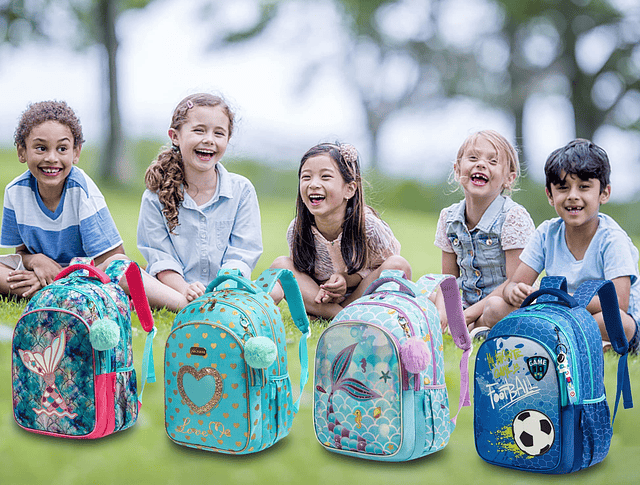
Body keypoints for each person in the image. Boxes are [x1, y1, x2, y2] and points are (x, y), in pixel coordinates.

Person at [0, 100, 186, 310]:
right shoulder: (15, 192)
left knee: (122, 269)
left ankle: (185, 305)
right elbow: (21, 253)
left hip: (88, 276)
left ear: (76, 152)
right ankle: (61, 294)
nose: (51, 158)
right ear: (21, 151)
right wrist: (36, 261)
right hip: (44, 274)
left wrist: (63, 276)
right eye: (41, 148)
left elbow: (115, 259)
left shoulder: (81, 191)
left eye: (62, 148)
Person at [503, 139, 640, 353]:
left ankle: (554, 339)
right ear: (550, 194)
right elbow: (514, 283)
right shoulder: (547, 233)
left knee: (618, 322)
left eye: (584, 187)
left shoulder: (613, 240)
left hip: (608, 320)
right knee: (496, 308)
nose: (573, 196)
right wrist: (515, 292)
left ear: (604, 193)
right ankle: (568, 340)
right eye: (562, 188)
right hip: (558, 314)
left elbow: (618, 304)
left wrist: (561, 300)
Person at [137, 93, 262, 305]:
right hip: (176, 291)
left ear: (228, 139)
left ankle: (212, 304)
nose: (209, 140)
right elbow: (161, 258)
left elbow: (242, 254)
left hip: (227, 290)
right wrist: (186, 289)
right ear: (175, 136)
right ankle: (186, 304)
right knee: (122, 268)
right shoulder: (154, 196)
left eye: (219, 133)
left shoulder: (242, 191)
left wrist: (221, 289)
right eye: (199, 130)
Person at [270, 142, 411, 319]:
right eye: (306, 177)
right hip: (322, 300)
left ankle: (336, 314)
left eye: (325, 177)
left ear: (349, 189)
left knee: (398, 264)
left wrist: (347, 279)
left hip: (362, 296)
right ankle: (341, 316)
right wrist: (326, 290)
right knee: (280, 265)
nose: (313, 184)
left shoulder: (369, 227)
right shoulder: (297, 229)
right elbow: (303, 276)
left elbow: (389, 268)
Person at [434, 129, 535, 339]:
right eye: (473, 158)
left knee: (495, 309)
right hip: (468, 301)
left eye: (493, 161)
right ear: (457, 169)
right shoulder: (448, 218)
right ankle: (473, 329)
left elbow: (515, 281)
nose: (481, 164)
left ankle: (476, 327)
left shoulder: (512, 217)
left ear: (509, 178)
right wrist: (447, 313)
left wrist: (467, 315)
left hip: (507, 302)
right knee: (428, 298)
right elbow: (449, 280)